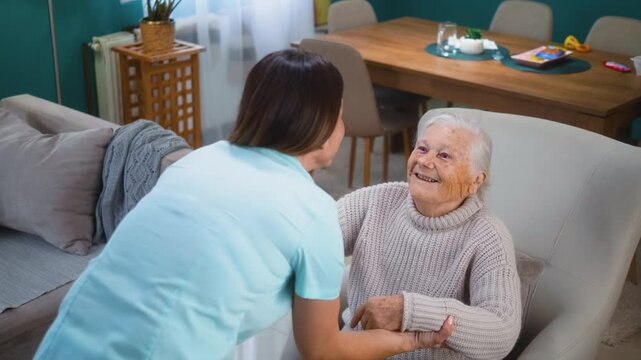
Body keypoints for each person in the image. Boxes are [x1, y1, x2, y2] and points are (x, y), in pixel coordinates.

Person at [34, 49, 453, 360]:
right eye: (340, 116)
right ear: (323, 125)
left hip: (66, 338)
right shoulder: (314, 212)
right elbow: (323, 350)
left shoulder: (202, 157)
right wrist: (414, 339)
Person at [338, 113, 521, 359]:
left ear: (476, 180)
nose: (425, 161)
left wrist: (409, 311)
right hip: (354, 352)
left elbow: (502, 330)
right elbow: (312, 236)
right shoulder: (379, 199)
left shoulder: (489, 237)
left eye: (444, 155)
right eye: (422, 148)